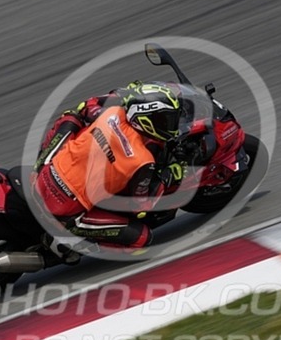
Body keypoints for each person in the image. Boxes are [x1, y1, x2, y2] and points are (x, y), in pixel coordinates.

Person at [31, 81, 190, 264]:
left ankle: (37, 166)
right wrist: (169, 176)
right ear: (147, 120)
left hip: (43, 178)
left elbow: (87, 106)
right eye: (166, 120)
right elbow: (141, 206)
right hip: (65, 212)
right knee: (141, 239)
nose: (171, 125)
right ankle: (70, 242)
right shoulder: (143, 161)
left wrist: (122, 93)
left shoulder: (112, 112)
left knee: (71, 117)